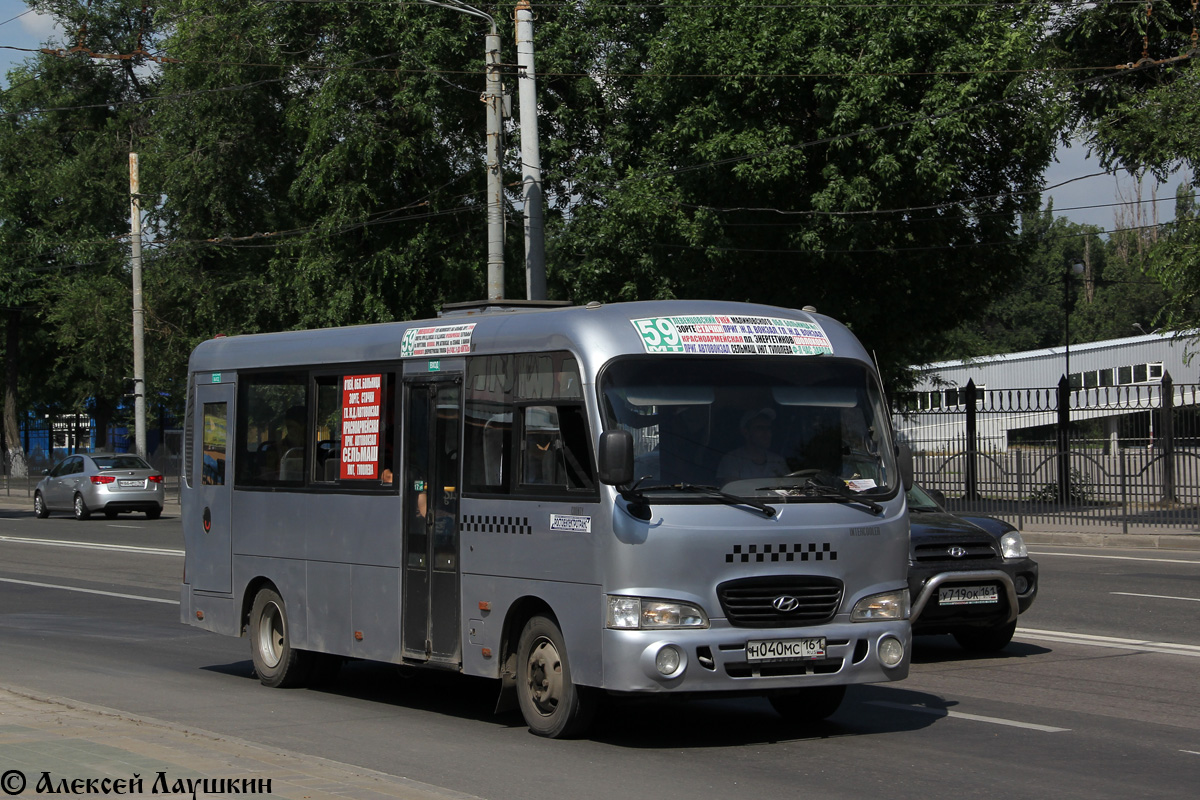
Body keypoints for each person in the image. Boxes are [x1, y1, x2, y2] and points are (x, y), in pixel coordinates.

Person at [716, 408, 789, 485]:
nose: (766, 433)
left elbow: (788, 488)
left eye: (768, 428)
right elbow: (732, 491)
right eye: (760, 428)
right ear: (745, 432)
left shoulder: (778, 461)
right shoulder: (732, 460)